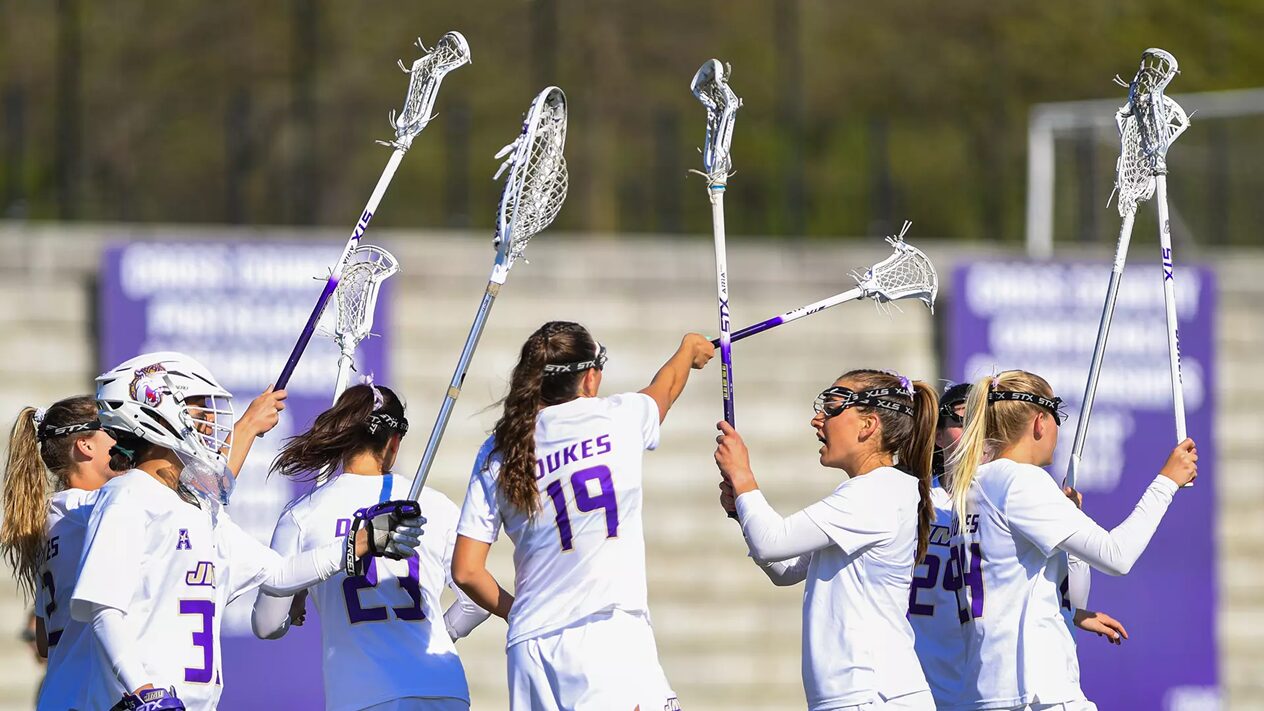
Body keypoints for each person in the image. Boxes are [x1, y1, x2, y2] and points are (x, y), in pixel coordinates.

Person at [68, 352, 422, 710]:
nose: (209, 421)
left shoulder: (200, 511)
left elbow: (280, 572)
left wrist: (359, 542)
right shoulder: (128, 495)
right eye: (197, 408)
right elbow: (105, 610)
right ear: (153, 410)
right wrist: (143, 691)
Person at [451, 323, 713, 711]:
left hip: (529, 649)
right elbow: (666, 387)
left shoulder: (498, 449)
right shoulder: (617, 417)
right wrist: (688, 350)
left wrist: (516, 612)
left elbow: (466, 571)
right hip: (605, 637)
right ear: (589, 377)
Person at [1, 387, 287, 711]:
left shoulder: (53, 516)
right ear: (85, 445)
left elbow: (43, 642)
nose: (125, 437)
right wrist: (246, 427)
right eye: (111, 430)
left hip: (57, 697)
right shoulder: (101, 504)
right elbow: (195, 498)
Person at [946, 370, 1197, 710]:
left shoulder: (971, 484)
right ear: (1039, 423)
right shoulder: (1021, 481)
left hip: (985, 689)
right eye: (1056, 417)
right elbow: (1117, 556)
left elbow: (1069, 594)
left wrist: (1070, 537)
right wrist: (1166, 482)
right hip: (1036, 693)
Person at [252, 382, 490, 711]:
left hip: (364, 694)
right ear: (394, 442)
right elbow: (475, 602)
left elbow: (267, 625)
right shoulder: (435, 504)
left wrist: (299, 588)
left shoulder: (303, 515)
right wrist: (438, 637)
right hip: (443, 687)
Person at [715, 369, 937, 710]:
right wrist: (741, 511)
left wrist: (743, 475)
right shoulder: (870, 492)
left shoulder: (876, 491)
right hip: (859, 695)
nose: (817, 419)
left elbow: (770, 543)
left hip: (872, 695)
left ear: (868, 425)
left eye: (832, 407)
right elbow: (785, 569)